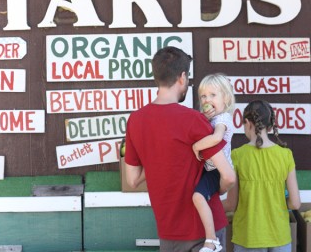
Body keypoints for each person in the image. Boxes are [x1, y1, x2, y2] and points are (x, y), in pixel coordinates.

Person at [125, 46, 233, 252]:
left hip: (168, 232)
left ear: (157, 77)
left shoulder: (135, 120)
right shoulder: (194, 120)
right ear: (182, 77)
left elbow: (132, 180)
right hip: (205, 233)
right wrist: (214, 191)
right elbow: (228, 176)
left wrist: (159, 159)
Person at [223, 99, 301, 252]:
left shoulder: (237, 155)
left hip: (248, 237)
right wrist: (277, 200)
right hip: (280, 237)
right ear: (271, 125)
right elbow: (296, 203)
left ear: (248, 122)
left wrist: (207, 206)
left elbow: (232, 204)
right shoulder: (285, 155)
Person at [192, 74, 236, 252]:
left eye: (213, 95)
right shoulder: (211, 118)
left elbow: (217, 137)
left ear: (225, 98)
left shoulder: (223, 118)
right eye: (203, 96)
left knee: (198, 196)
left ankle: (212, 240)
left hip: (216, 170)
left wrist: (197, 146)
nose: (207, 99)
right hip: (209, 168)